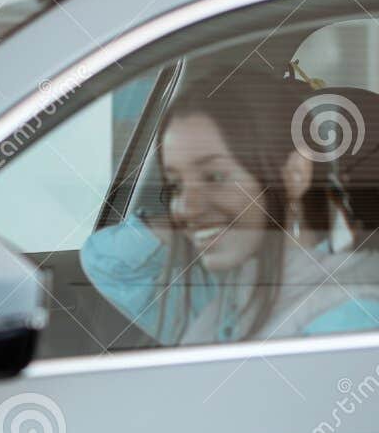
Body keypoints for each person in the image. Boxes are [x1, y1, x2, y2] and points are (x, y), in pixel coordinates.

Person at [80, 74, 379, 345]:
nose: (183, 206)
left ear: (294, 174)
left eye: (215, 177)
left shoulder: (349, 318)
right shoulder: (232, 291)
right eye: (176, 185)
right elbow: (107, 260)